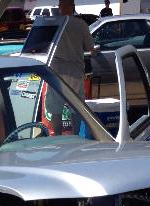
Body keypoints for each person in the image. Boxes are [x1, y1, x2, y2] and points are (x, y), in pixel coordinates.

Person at [45, 0, 97, 135]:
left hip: (56, 71)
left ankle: (58, 136)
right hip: (75, 71)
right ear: (73, 7)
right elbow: (90, 47)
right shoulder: (80, 24)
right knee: (76, 108)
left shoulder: (53, 23)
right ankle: (75, 136)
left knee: (55, 109)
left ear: (60, 7)